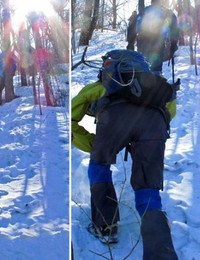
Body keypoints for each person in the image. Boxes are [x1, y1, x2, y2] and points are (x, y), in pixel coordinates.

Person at [71, 52, 178, 258]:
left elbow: (71, 118)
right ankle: (160, 252)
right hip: (154, 123)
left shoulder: (101, 87)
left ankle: (105, 226)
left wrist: (93, 145)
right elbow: (170, 110)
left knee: (100, 164)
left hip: (113, 119)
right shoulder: (156, 86)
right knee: (148, 185)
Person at [136, 0, 179, 74]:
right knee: (155, 69)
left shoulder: (144, 11)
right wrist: (173, 44)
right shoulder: (167, 12)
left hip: (143, 43)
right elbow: (174, 29)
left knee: (143, 67)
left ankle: (143, 81)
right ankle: (156, 80)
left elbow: (136, 26)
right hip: (158, 43)